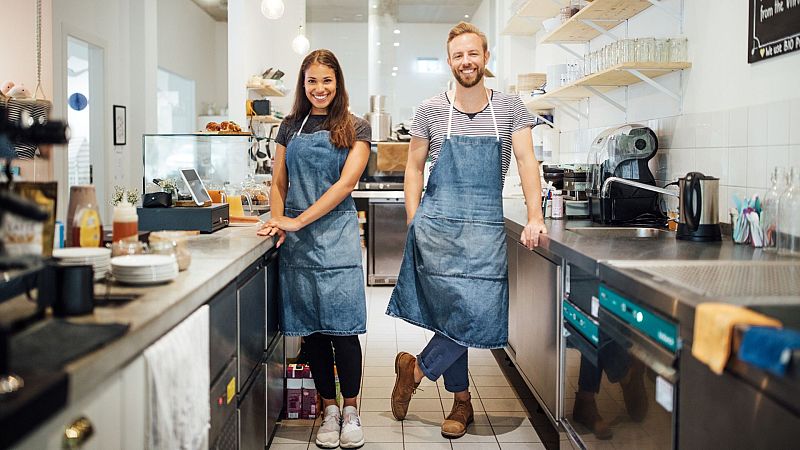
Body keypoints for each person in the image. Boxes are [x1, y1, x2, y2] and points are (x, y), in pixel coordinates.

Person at [386, 22, 547, 439]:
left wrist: (536, 214)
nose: (466, 62)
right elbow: (413, 168)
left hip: (485, 230)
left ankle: (415, 368)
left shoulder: (511, 108)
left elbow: (529, 163)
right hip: (438, 227)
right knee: (454, 316)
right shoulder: (430, 110)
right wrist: (413, 218)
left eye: (472, 54)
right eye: (458, 55)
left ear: (486, 57)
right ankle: (461, 404)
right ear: (449, 61)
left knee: (479, 314)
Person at [257, 49, 370, 449]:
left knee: (343, 330)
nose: (319, 88)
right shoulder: (289, 126)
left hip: (337, 238)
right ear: (303, 85)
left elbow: (345, 186)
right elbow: (278, 181)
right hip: (299, 244)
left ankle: (352, 409)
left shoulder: (357, 127)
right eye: (311, 81)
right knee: (315, 333)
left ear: (337, 82)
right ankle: (329, 410)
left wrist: (297, 220)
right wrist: (277, 219)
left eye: (326, 80)